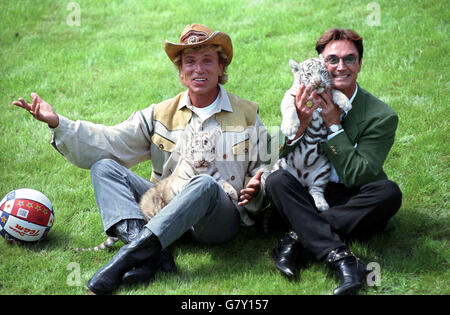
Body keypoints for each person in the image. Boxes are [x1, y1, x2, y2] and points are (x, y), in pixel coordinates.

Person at [13, 24, 269, 295]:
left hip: (217, 219)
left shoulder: (247, 113)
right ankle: (150, 253)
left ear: (221, 67)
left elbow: (268, 168)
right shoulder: (159, 114)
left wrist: (258, 187)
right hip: (165, 207)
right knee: (105, 168)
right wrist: (58, 123)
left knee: (204, 184)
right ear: (181, 72)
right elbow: (110, 141)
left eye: (208, 61)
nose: (199, 69)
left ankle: (126, 258)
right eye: (190, 62)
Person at [240, 28, 402, 295]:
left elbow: (360, 175)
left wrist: (334, 125)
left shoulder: (381, 116)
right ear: (318, 63)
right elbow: (273, 153)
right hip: (308, 188)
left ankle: (296, 237)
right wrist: (300, 126)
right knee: (279, 180)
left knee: (389, 193)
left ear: (360, 64)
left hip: (348, 194)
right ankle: (344, 260)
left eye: (350, 59)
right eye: (332, 60)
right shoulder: (299, 97)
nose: (340, 67)